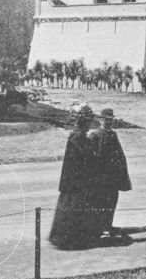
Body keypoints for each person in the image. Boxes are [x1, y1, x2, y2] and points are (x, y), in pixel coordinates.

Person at [48, 105, 103, 250]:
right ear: (85, 122)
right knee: (75, 208)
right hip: (77, 181)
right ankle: (71, 239)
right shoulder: (79, 137)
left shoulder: (78, 135)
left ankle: (70, 238)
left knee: (72, 207)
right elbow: (87, 155)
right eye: (89, 121)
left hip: (75, 179)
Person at [94, 107, 132, 238]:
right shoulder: (97, 135)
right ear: (100, 120)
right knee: (101, 202)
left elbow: (119, 154)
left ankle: (107, 225)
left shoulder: (113, 134)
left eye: (110, 120)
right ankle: (99, 227)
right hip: (101, 177)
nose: (108, 122)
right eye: (106, 119)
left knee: (111, 202)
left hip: (113, 176)